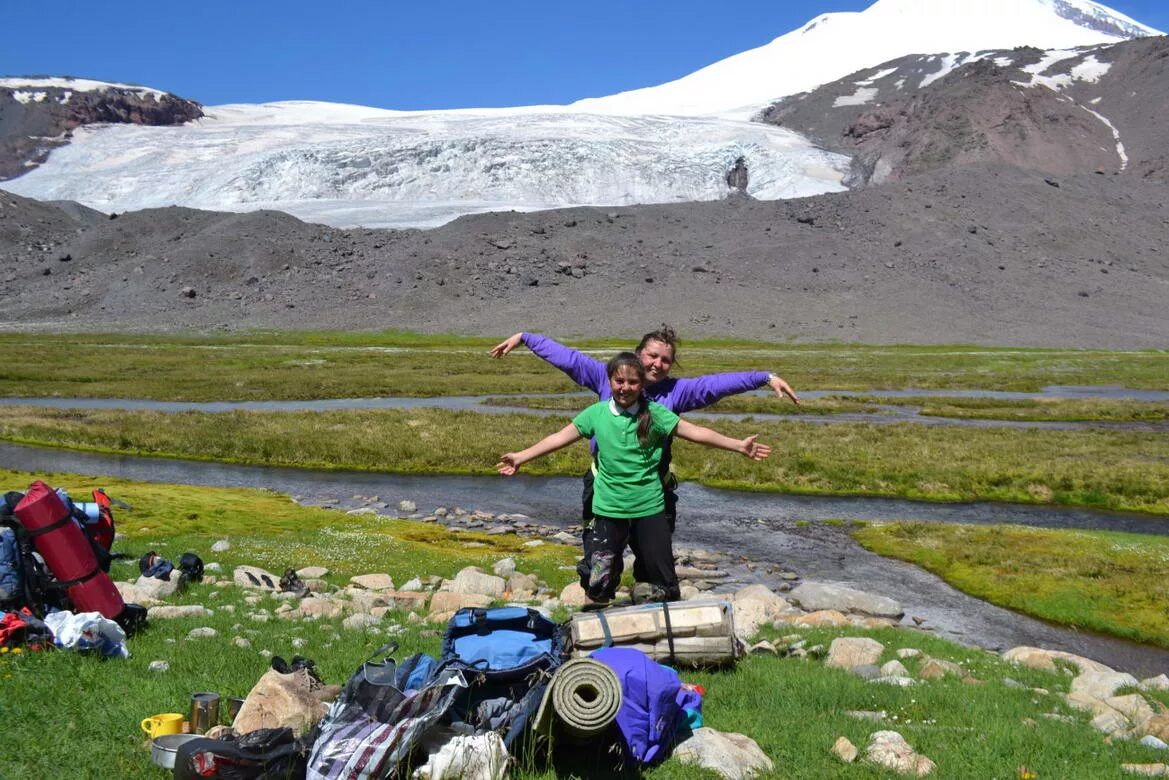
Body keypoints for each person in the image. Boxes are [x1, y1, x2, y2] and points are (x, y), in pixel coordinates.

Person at [490, 325, 798, 596]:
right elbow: (568, 359)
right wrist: (526, 338)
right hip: (604, 490)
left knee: (653, 571)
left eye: (665, 359)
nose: (658, 364)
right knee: (598, 570)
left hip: (653, 492)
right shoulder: (607, 377)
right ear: (638, 355)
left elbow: (715, 387)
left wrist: (764, 378)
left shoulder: (675, 394)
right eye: (652, 356)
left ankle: (647, 626)